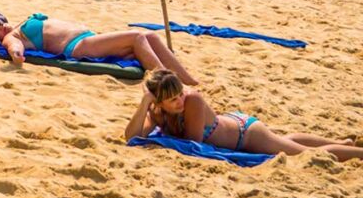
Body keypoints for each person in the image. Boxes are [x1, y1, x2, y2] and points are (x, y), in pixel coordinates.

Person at [125, 70, 363, 160]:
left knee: (303, 154)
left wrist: (156, 117)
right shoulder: (156, 109)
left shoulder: (192, 100)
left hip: (245, 134)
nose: (180, 101)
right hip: (234, 126)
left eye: (179, 94)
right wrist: (145, 103)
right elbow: (131, 136)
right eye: (173, 99)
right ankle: (342, 143)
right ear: (159, 102)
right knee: (286, 140)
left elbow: (192, 143)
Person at [0, 12, 198, 84]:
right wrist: (15, 53)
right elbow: (14, 48)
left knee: (151, 36)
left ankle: (188, 81)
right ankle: (168, 86)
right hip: (78, 46)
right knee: (137, 37)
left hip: (89, 38)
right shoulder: (13, 36)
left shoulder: (18, 24)